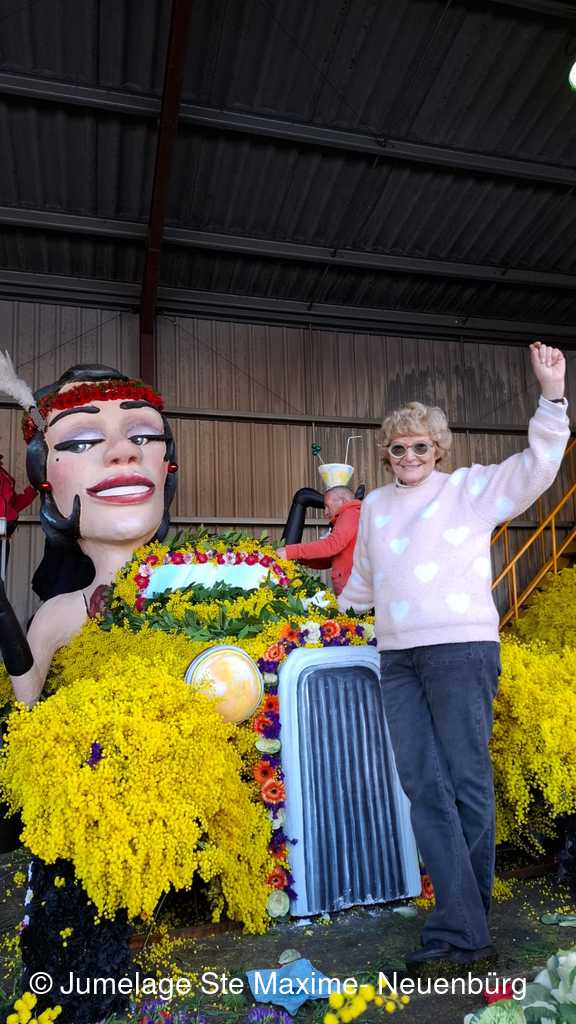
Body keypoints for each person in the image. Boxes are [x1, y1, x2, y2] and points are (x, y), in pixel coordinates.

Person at [338, 342, 569, 967]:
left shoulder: (468, 491)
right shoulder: (375, 507)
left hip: (461, 651)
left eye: (420, 446)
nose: (410, 456)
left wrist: (551, 397)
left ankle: (461, 928)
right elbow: (364, 581)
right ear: (386, 454)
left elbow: (537, 468)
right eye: (398, 448)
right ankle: (465, 921)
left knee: (465, 780)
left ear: (438, 449)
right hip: (399, 660)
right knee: (422, 784)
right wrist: (323, 614)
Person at [277, 486, 362, 596]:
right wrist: (299, 559)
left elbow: (332, 545)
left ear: (343, 501)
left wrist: (291, 552)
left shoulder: (350, 513)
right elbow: (329, 560)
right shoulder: (353, 516)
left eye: (327, 506)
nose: (325, 512)